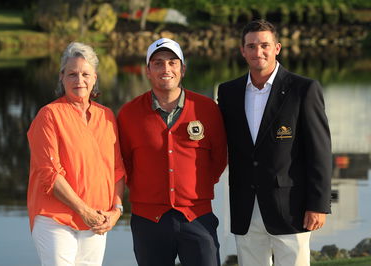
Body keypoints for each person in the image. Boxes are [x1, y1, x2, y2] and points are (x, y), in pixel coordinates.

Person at [217, 20, 332, 266]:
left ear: (277, 48)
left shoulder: (304, 89)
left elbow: (319, 151)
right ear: (242, 50)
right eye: (251, 46)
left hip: (292, 207)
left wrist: (319, 204)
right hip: (245, 207)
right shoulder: (228, 92)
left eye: (265, 45)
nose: (258, 52)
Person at [117, 38, 228, 266]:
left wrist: (193, 190)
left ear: (183, 68)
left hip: (197, 216)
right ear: (148, 71)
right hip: (148, 220)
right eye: (157, 63)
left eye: (172, 62)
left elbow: (218, 158)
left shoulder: (207, 109)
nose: (165, 69)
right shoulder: (129, 113)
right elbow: (124, 162)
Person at [27, 42, 125, 266]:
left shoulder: (106, 116)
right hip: (55, 219)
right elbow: (49, 174)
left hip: (97, 220)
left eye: (85, 74)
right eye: (72, 74)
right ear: (61, 77)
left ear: (94, 78)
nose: (79, 80)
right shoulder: (49, 115)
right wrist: (84, 211)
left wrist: (116, 211)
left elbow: (117, 169)